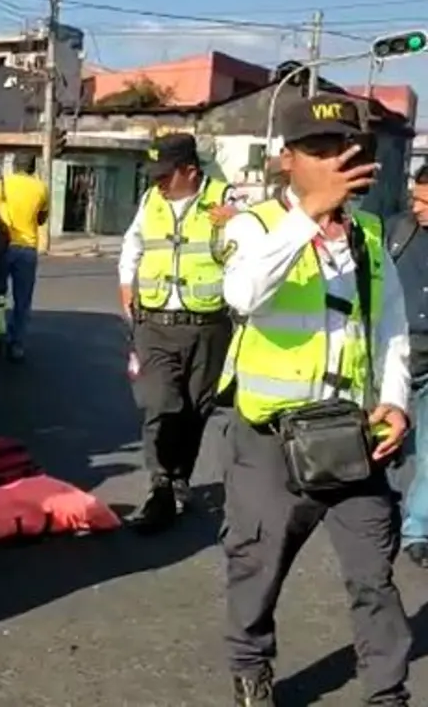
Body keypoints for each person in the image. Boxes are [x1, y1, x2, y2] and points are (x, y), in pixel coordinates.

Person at [217, 94, 412, 706]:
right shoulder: (254, 226)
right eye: (318, 151)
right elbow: (244, 292)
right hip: (271, 441)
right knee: (258, 567)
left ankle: (388, 693)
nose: (334, 163)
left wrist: (396, 400)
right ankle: (251, 665)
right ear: (286, 160)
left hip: (352, 436)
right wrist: (308, 215)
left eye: (345, 151)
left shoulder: (370, 234)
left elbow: (390, 329)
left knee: (374, 578)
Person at [117, 133, 237, 534]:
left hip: (207, 325)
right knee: (160, 403)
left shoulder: (226, 199)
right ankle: (161, 486)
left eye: (166, 175)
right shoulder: (152, 199)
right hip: (154, 323)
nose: (159, 183)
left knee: (195, 408)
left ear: (190, 170)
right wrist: (125, 283)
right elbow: (133, 242)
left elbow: (248, 252)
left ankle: (179, 476)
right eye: (155, 175)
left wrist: (236, 225)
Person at [390, 164, 428, 568]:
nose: (415, 207)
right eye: (414, 198)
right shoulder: (396, 232)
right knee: (382, 443)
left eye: (424, 201)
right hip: (394, 354)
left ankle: (417, 529)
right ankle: (377, 511)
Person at [0, 153, 48, 362]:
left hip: (3, 247)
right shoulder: (41, 188)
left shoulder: (2, 183)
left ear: (15, 166)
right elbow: (41, 218)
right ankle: (16, 344)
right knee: (23, 300)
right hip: (28, 249)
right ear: (32, 167)